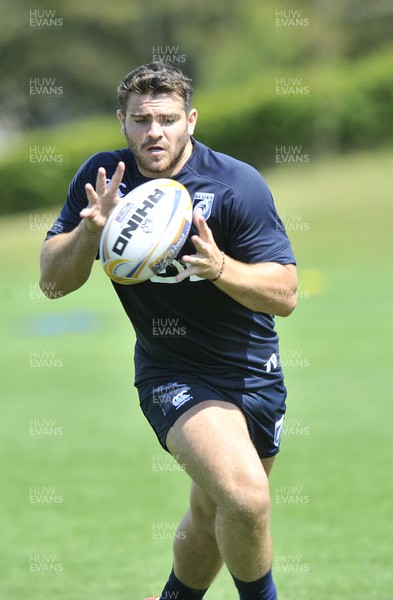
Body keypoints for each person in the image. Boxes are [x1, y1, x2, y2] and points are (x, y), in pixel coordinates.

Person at [39, 62, 297, 600]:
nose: (154, 131)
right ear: (123, 123)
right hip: (172, 371)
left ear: (191, 121)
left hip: (253, 373)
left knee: (211, 512)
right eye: (141, 119)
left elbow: (286, 294)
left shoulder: (234, 185)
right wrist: (92, 230)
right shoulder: (104, 179)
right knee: (246, 499)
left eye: (167, 118)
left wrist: (220, 268)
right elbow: (53, 284)